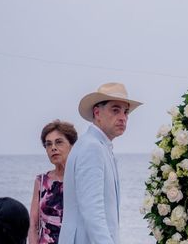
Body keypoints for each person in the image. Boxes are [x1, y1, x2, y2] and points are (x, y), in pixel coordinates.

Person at [58, 82, 142, 244]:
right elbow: (92, 211)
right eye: (115, 110)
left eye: (125, 112)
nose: (122, 118)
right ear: (97, 113)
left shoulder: (98, 146)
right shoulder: (92, 147)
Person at [28, 120, 78, 244]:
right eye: (48, 144)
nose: (53, 148)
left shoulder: (81, 179)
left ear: (72, 145)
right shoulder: (41, 181)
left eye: (59, 142)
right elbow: (33, 225)